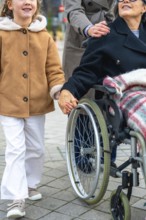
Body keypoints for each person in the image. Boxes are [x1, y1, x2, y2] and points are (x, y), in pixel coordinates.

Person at [0, 0, 65, 218]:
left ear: (37, 5)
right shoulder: (2, 34)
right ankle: (16, 198)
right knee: (15, 149)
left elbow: (54, 69)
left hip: (37, 103)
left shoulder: (44, 36)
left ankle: (30, 184)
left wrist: (58, 91)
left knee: (36, 148)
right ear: (9, 5)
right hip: (8, 102)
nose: (27, 1)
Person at [58, 0, 146, 159]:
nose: (125, 0)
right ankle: (82, 158)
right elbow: (86, 72)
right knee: (84, 109)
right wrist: (67, 90)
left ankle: (107, 157)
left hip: (115, 29)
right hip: (89, 36)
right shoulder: (106, 36)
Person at [62, 0, 116, 82]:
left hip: (111, 33)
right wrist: (89, 29)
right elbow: (73, 10)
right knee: (79, 87)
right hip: (82, 34)